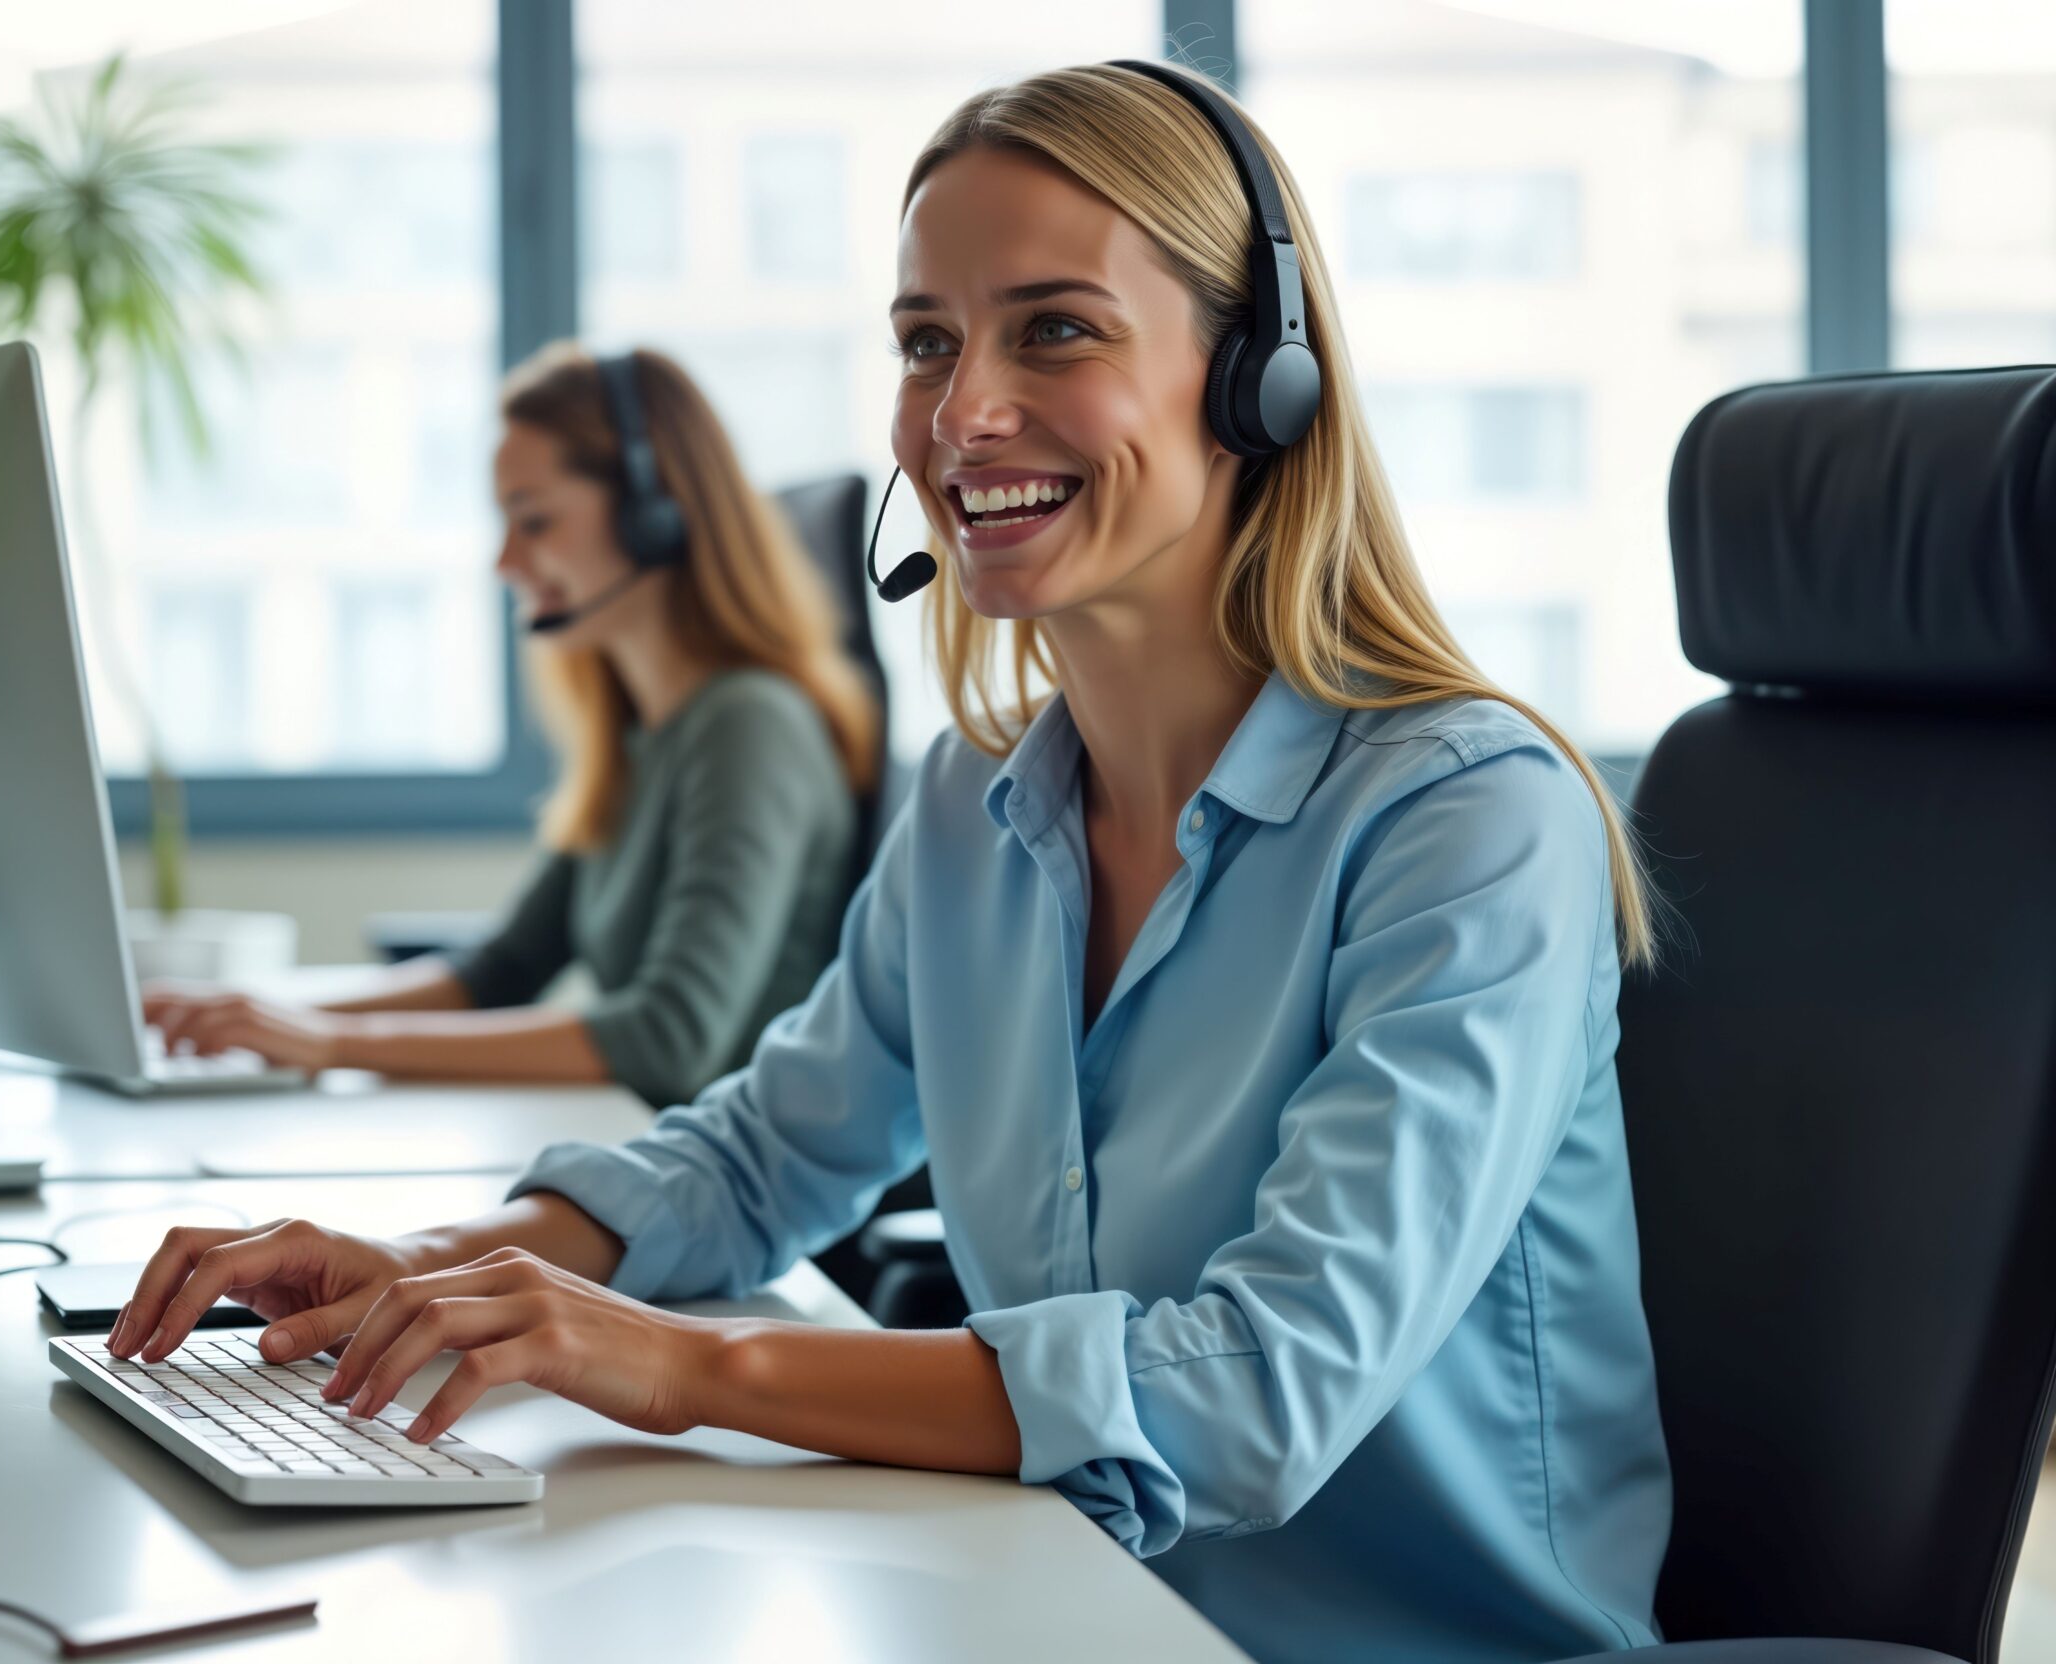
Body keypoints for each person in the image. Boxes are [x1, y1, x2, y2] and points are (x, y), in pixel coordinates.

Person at [113, 62, 1671, 1664]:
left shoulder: (1470, 825)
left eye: (1055, 329)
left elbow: (1257, 1393)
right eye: (928, 343)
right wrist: (430, 1269)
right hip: (1056, 1609)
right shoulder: (976, 805)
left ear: (1253, 377)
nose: (961, 414)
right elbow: (758, 1160)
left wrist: (683, 1368)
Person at [144, 345, 881, 1108]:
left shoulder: (748, 726)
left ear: (654, 514)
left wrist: (330, 1046)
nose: (504, 559)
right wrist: (258, 1016)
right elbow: (499, 971)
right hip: (652, 1156)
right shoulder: (641, 734)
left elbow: (669, 1039)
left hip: (738, 1197)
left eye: (534, 520)